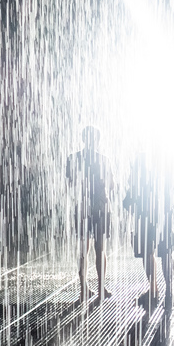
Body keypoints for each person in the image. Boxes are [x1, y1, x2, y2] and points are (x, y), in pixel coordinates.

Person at [66, 126, 115, 304]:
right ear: (98, 140)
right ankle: (101, 288)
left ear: (83, 139)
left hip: (82, 208)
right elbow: (112, 185)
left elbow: (70, 184)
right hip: (101, 209)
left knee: (83, 250)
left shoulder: (73, 159)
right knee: (100, 249)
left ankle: (83, 289)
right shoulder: (104, 160)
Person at [123, 151, 174, 311]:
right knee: (165, 252)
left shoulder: (139, 178)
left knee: (147, 253)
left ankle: (153, 290)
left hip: (144, 219)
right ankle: (168, 290)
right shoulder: (160, 175)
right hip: (163, 218)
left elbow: (127, 202)